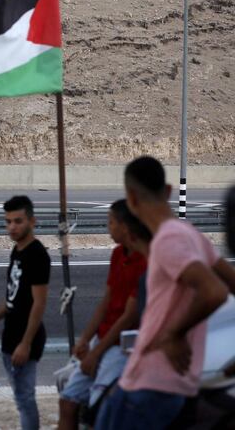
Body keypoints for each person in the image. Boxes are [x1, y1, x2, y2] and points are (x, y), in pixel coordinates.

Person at [96, 156, 229, 430]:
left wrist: (174, 333)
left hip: (149, 381)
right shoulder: (192, 234)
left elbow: (213, 291)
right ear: (168, 191)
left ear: (131, 198)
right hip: (176, 386)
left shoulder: (168, 239)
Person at [57, 200, 147, 430]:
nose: (108, 228)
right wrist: (85, 340)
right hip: (102, 339)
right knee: (68, 400)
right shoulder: (118, 254)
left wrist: (96, 353)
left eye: (111, 222)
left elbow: (129, 316)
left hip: (121, 346)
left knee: (101, 410)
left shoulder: (146, 262)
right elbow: (105, 302)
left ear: (125, 227)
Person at [0, 195, 50, 430]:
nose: (12, 227)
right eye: (8, 221)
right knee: (21, 398)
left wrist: (26, 343)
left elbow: (39, 303)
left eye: (18, 221)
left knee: (25, 399)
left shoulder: (37, 255)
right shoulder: (17, 251)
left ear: (32, 221)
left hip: (25, 339)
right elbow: (12, 297)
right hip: (11, 334)